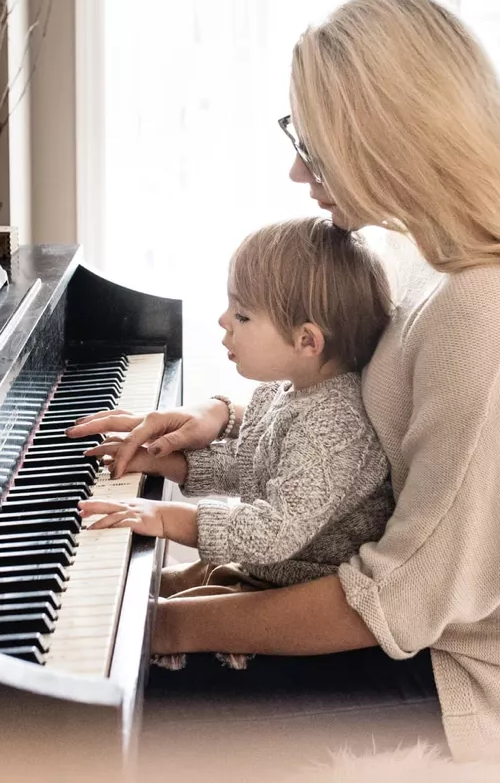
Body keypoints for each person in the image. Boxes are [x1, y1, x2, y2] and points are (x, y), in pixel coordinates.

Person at [69, 0, 500, 763]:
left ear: (393, 139)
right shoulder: (416, 252)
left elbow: (394, 599)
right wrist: (221, 416)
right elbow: (347, 405)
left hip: (492, 670)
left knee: (112, 709)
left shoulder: (491, 308)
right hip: (419, 620)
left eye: (317, 144)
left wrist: (152, 623)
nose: (297, 168)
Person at [78, 218, 395, 668]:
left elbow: (274, 532)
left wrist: (169, 518)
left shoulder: (336, 424)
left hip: (293, 596)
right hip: (270, 573)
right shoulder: (289, 388)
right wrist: (166, 463)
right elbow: (252, 466)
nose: (224, 321)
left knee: (126, 630)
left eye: (242, 315)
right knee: (115, 589)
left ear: (307, 340)